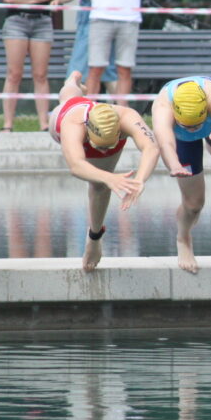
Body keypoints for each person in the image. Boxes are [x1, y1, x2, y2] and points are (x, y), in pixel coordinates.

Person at [49, 71, 159, 272]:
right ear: (88, 131)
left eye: (109, 146)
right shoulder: (72, 124)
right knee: (69, 96)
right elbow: (76, 166)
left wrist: (140, 180)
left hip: (101, 124)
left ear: (119, 131)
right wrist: (110, 178)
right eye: (100, 147)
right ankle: (72, 81)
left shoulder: (128, 117)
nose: (104, 152)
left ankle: (94, 237)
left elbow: (151, 147)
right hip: (68, 114)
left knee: (99, 187)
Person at [150, 75, 211, 273]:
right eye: (188, 126)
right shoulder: (162, 109)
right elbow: (166, 144)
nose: (193, 130)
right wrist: (174, 165)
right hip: (180, 138)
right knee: (193, 204)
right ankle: (183, 238)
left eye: (196, 125)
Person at [0, 0, 56, 131]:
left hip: (41, 21)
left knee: (40, 74)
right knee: (14, 73)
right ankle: (7, 124)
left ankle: (43, 123)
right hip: (16, 21)